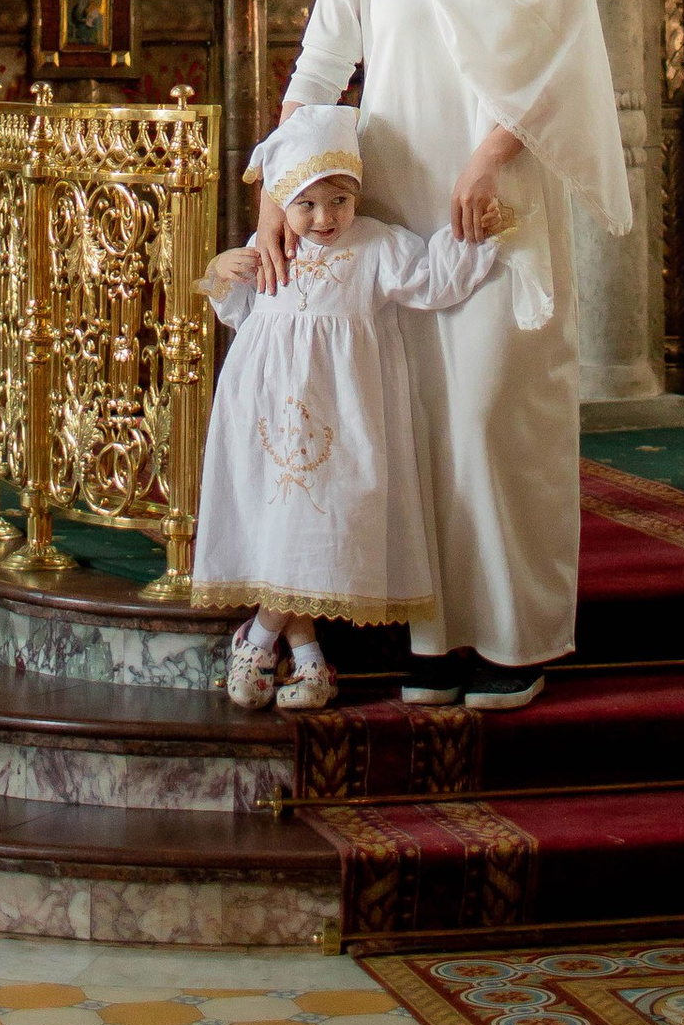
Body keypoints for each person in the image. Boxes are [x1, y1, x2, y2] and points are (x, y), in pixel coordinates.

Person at [256, 0, 631, 710]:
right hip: (396, 208)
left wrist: (488, 153)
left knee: (493, 415)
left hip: (501, 201)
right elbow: (319, 69)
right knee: (416, 421)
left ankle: (513, 639)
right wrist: (274, 195)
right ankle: (432, 638)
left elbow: (563, 64)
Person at [194, 111, 504, 710]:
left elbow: (433, 280)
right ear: (282, 202)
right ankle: (309, 657)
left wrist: (474, 235)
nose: (324, 218)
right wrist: (221, 271)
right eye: (306, 204)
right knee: (281, 524)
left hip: (344, 414)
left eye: (339, 200)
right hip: (267, 411)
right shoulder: (270, 246)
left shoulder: (377, 244)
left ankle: (260, 636)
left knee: (321, 524)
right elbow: (239, 311)